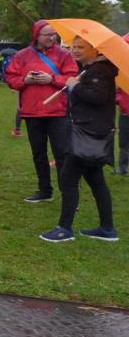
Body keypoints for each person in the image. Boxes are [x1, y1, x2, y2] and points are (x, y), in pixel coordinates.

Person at [40, 36, 119, 242]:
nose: (75, 50)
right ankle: (107, 229)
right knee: (96, 180)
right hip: (91, 132)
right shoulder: (92, 69)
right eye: (73, 46)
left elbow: (97, 97)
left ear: (94, 49)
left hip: (88, 134)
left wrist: (74, 86)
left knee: (68, 179)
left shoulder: (99, 71)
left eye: (81, 47)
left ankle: (64, 229)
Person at [5, 19, 78, 203]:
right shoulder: (22, 55)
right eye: (47, 34)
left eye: (54, 34)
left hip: (57, 112)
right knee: (39, 154)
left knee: (62, 154)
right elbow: (11, 78)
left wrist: (52, 79)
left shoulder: (64, 54)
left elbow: (72, 79)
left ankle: (68, 195)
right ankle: (45, 191)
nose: (52, 38)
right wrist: (25, 80)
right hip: (32, 113)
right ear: (37, 35)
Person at [117, 89, 129, 175]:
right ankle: (123, 169)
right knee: (123, 144)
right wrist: (120, 100)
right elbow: (117, 95)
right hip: (124, 116)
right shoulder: (123, 85)